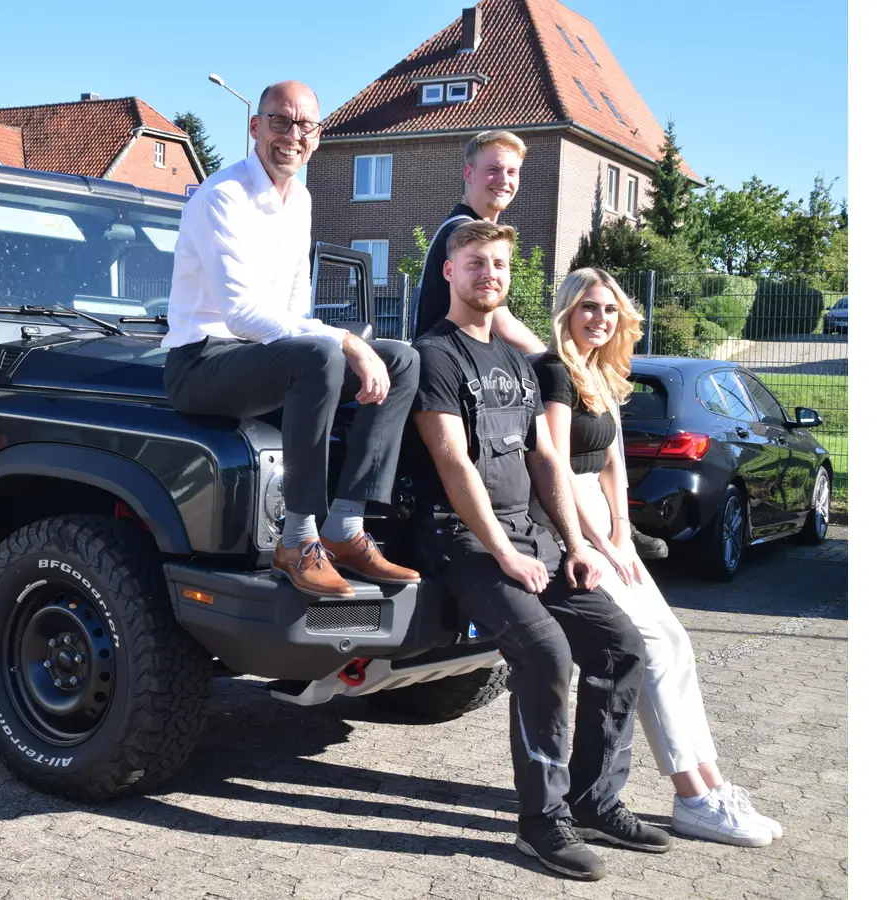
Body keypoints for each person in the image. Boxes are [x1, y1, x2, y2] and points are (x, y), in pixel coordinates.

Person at [407, 221, 669, 881]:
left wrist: (575, 545)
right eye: (475, 263)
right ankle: (541, 823)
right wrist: (502, 551)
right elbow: (452, 461)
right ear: (448, 271)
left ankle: (594, 800)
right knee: (546, 653)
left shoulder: (518, 362)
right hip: (462, 540)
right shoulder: (433, 355)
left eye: (499, 264)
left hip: (532, 536)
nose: (489, 274)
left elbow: (545, 455)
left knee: (622, 646)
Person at [531, 267, 783, 847]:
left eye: (610, 310)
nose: (599, 318)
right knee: (645, 645)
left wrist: (624, 534)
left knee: (676, 641)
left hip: (607, 523)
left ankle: (711, 784)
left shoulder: (602, 374)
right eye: (588, 307)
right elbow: (557, 473)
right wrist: (596, 543)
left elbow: (614, 466)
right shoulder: (555, 372)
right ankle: (691, 795)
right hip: (567, 518)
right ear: (568, 311)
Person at [162, 80, 421, 598]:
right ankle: (296, 540)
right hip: (200, 362)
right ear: (255, 127)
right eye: (280, 121)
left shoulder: (300, 198)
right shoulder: (223, 197)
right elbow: (241, 314)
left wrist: (348, 345)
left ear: (318, 137)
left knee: (402, 360)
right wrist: (346, 342)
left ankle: (345, 528)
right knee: (323, 351)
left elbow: (294, 309)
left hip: (263, 359)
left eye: (304, 125)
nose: (292, 135)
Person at [408, 130, 546, 355]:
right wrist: (559, 364)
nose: (504, 180)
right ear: (468, 174)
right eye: (493, 170)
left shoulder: (465, 227)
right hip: (450, 373)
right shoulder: (464, 232)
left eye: (512, 172)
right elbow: (503, 326)